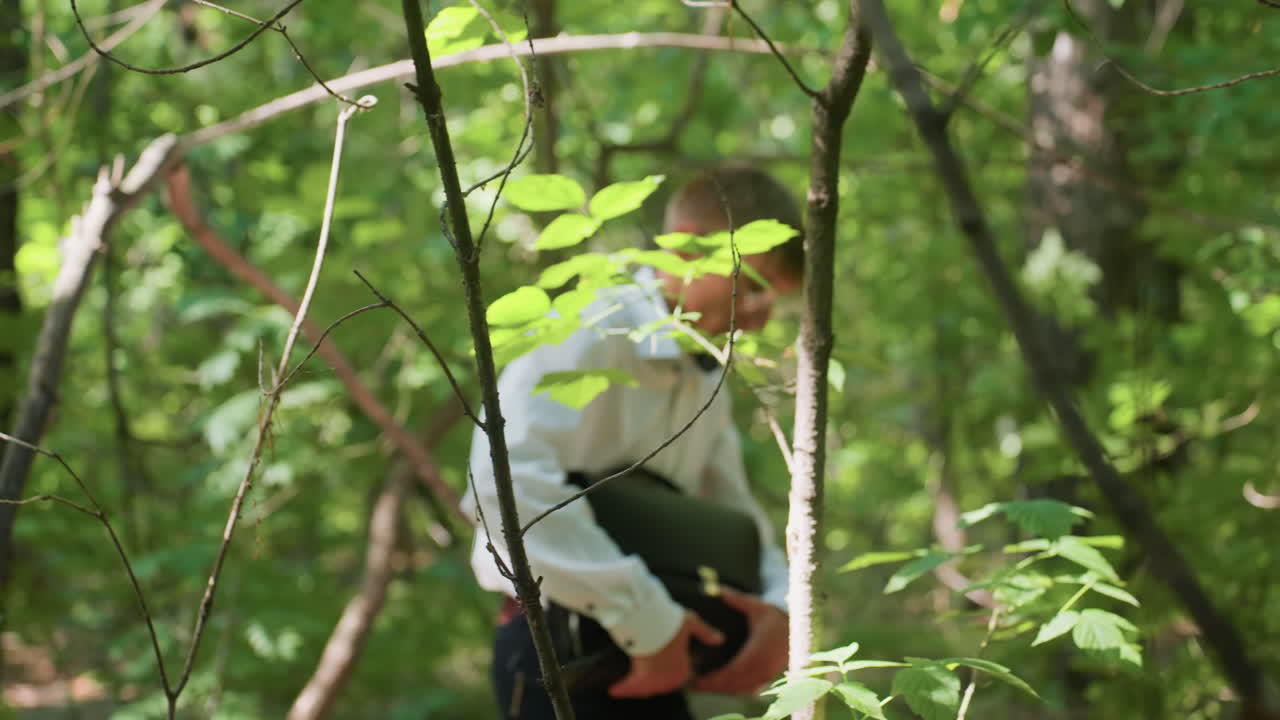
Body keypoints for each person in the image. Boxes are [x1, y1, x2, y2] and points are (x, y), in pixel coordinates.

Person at [463, 165, 805, 719]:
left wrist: (779, 610)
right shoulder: (591, 328)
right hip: (560, 651)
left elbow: (736, 517)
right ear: (691, 249)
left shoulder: (704, 377)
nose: (763, 318)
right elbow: (505, 488)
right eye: (758, 286)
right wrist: (650, 623)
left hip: (657, 655)